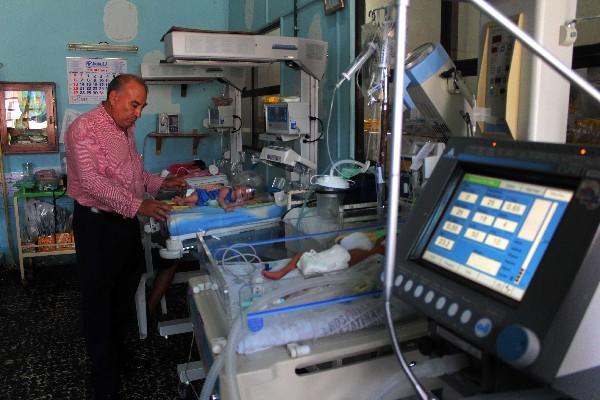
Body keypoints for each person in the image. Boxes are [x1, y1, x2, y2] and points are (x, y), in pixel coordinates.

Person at [65, 73, 187, 399]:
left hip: (123, 221)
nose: (138, 113)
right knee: (98, 301)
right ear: (114, 97)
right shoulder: (84, 130)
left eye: (142, 106)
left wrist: (161, 185)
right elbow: (93, 184)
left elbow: (133, 175)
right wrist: (139, 205)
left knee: (124, 291)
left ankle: (117, 356)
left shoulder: (126, 128)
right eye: (134, 105)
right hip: (96, 225)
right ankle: (103, 378)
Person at [173, 184, 255, 212]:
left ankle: (184, 202)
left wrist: (236, 204)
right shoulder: (227, 190)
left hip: (207, 202)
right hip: (204, 194)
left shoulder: (233, 199)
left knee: (194, 205)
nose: (243, 194)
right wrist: (226, 207)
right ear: (238, 187)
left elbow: (228, 204)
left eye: (245, 196)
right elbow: (220, 199)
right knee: (195, 198)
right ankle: (182, 200)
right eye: (243, 190)